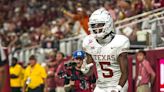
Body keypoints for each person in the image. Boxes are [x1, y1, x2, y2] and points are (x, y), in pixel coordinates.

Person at [82, 8, 130, 92]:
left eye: (99, 25)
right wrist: (85, 71)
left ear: (108, 24)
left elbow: (125, 73)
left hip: (118, 84)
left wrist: (118, 88)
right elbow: (90, 72)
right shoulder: (89, 42)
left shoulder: (119, 42)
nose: (96, 28)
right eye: (93, 25)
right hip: (100, 86)